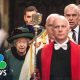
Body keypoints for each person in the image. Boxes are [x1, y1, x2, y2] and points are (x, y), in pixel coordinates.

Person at [36, 15, 80, 80]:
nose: (60, 30)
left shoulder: (78, 51)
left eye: (63, 26)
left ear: (68, 29)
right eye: (57, 27)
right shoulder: (42, 52)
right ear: (53, 30)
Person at [19, 13, 59, 80]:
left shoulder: (69, 41)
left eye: (56, 26)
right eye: (50, 25)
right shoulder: (37, 45)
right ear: (45, 26)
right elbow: (29, 69)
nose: (53, 29)